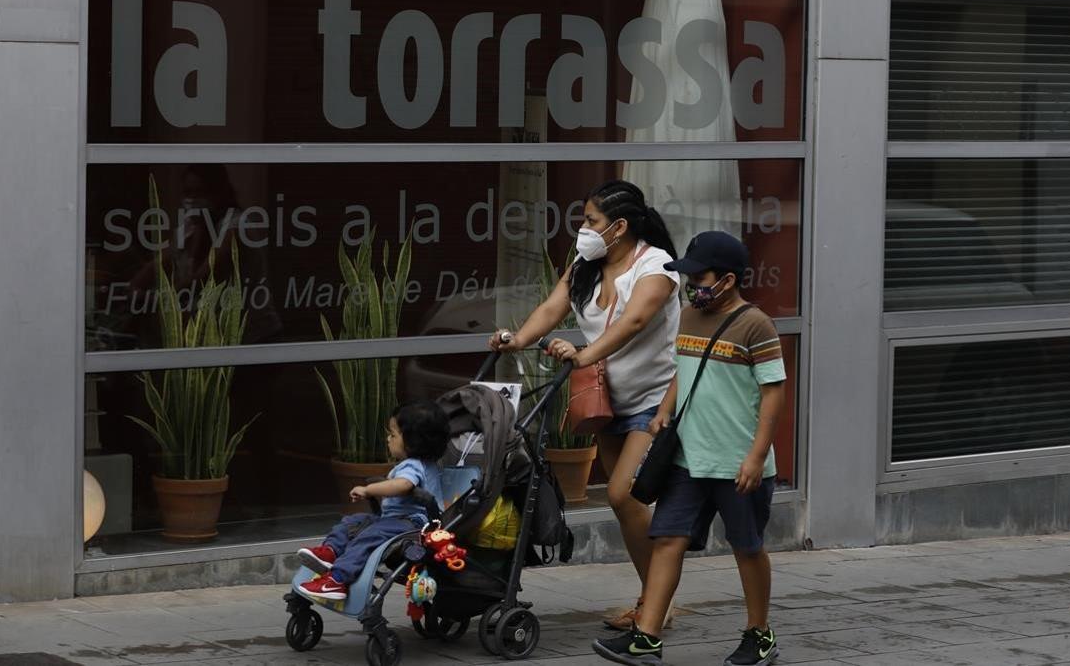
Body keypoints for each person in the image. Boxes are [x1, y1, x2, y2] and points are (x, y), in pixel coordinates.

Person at [489, 180, 680, 629]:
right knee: (623, 504)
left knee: (622, 493)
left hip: (654, 401)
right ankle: (653, 599)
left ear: (619, 227)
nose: (583, 229)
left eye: (591, 221)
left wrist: (585, 354)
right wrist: (517, 340)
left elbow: (634, 320)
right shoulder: (585, 264)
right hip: (606, 401)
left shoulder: (658, 266)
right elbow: (553, 307)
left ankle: (656, 604)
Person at [592, 231, 786, 666]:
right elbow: (684, 372)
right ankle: (647, 637)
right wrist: (664, 410)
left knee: (747, 547)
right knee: (666, 540)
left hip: (736, 463)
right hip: (687, 459)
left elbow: (773, 393)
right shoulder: (687, 316)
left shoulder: (756, 324)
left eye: (700, 277)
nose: (692, 285)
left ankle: (759, 634)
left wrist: (757, 456)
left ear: (729, 280)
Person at [294, 401, 449, 601]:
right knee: (353, 522)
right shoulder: (426, 464)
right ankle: (329, 553)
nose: (388, 439)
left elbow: (403, 486)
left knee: (368, 537)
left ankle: (337, 580)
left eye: (393, 435)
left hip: (411, 524)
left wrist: (368, 490)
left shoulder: (412, 465)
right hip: (396, 520)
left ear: (412, 441)